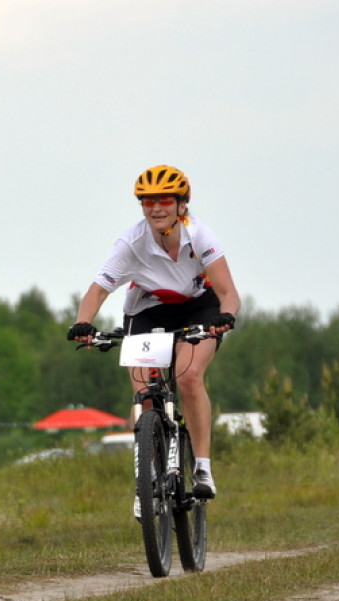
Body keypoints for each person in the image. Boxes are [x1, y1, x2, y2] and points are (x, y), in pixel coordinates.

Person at [68, 164, 240, 506]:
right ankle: (146, 481)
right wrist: (83, 323)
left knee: (189, 376)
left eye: (164, 200)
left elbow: (228, 292)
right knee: (144, 393)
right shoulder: (131, 243)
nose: (156, 208)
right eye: (147, 202)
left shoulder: (201, 236)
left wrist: (225, 317)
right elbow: (98, 290)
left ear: (181, 205)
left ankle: (202, 467)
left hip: (198, 307)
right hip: (147, 310)